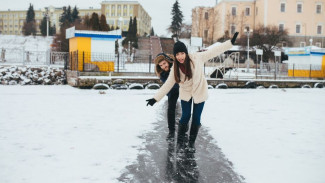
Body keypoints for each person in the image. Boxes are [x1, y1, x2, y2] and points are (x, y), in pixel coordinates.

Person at [147, 32, 239, 152]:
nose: (180, 57)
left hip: (199, 91)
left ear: (185, 52)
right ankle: (180, 142)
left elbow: (214, 51)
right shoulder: (175, 67)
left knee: (196, 118)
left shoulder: (197, 57)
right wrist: (155, 98)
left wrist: (230, 43)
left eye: (182, 53)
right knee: (185, 116)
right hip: (186, 93)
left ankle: (191, 143)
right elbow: (167, 85)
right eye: (177, 54)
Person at [154, 53, 179, 140]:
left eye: (164, 63)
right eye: (161, 65)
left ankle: (184, 125)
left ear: (168, 61)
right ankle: (171, 131)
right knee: (171, 109)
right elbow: (172, 85)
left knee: (186, 105)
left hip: (183, 88)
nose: (163, 66)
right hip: (172, 90)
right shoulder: (162, 74)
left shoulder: (176, 66)